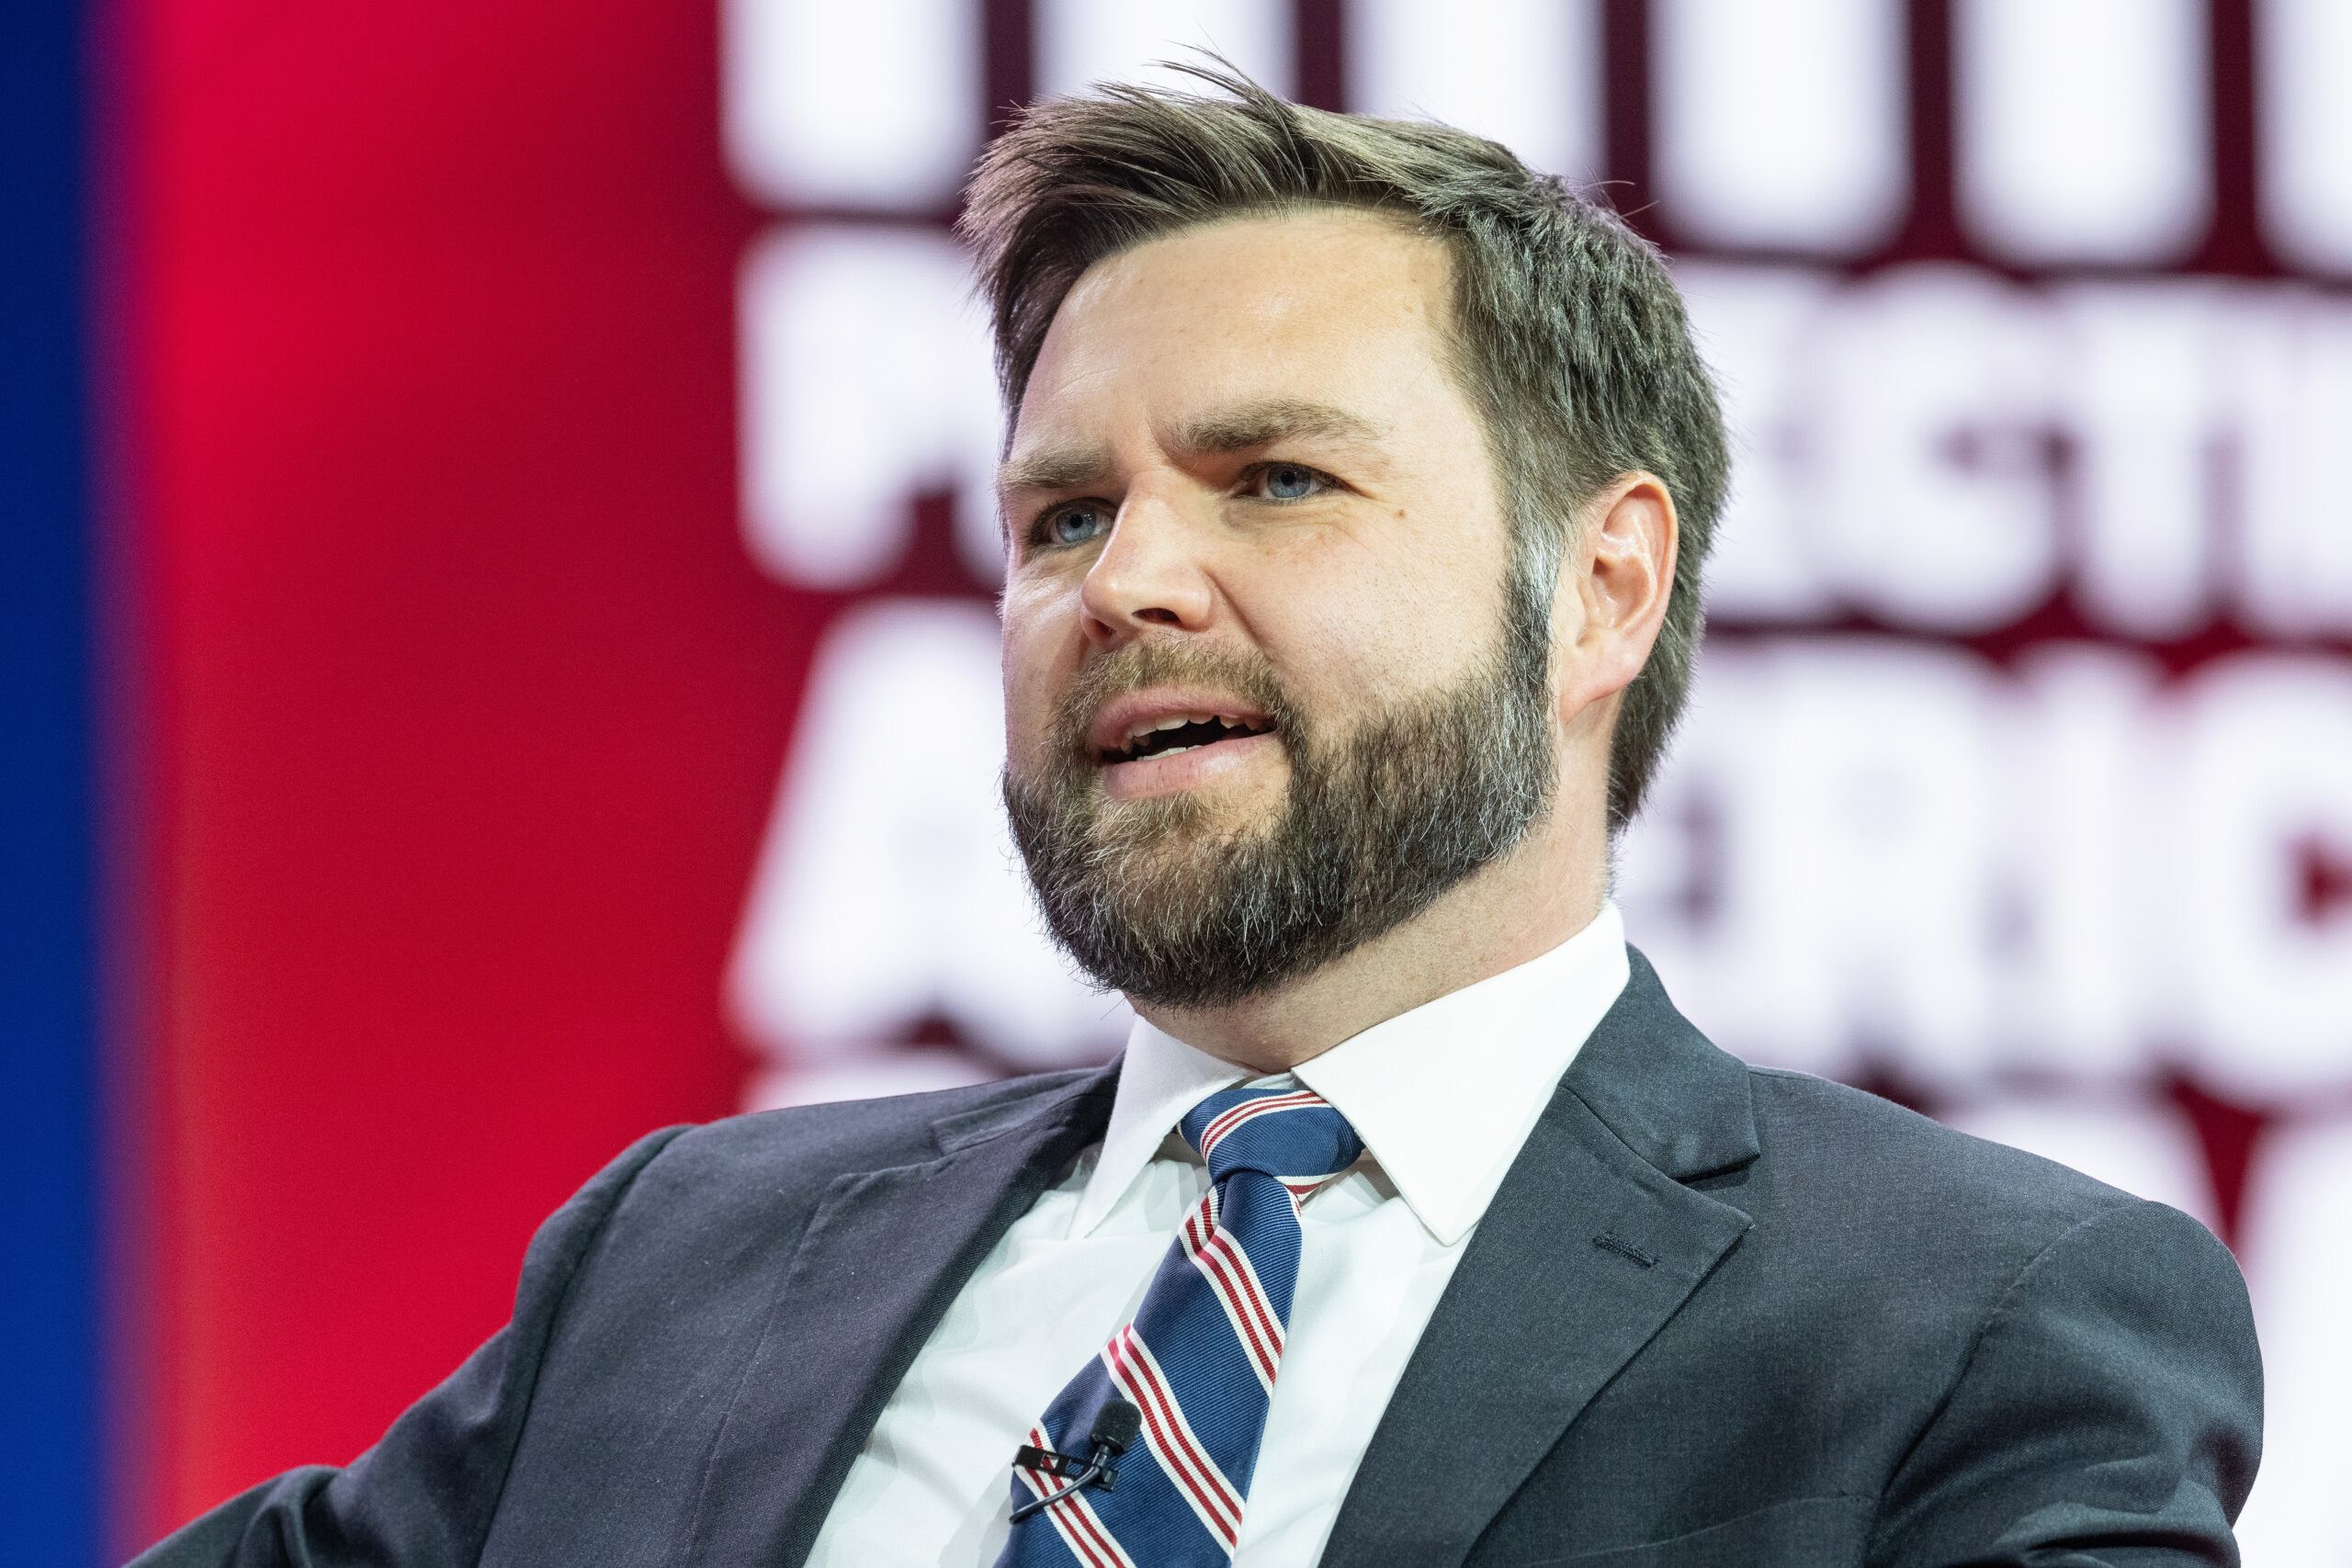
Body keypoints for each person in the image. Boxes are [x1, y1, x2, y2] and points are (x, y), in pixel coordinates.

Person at [138, 67, 2260, 1568]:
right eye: (1064, 512)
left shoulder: (1973, 1319)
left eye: (1273, 479)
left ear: (1601, 583)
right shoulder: (681, 1255)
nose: (1123, 582)